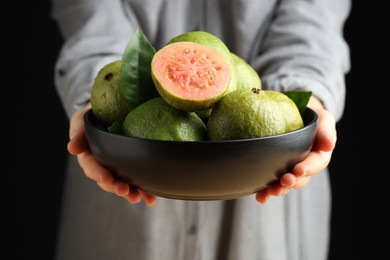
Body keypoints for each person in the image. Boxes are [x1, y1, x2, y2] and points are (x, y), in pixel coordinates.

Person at [51, 0, 351, 259]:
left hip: (266, 167)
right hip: (128, 165)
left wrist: (304, 100)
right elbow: (90, 17)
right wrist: (94, 97)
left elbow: (312, 22)